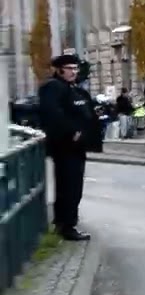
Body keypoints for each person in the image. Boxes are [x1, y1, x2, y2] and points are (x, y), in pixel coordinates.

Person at [37, 53, 101, 241]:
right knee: (68, 186)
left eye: (75, 68)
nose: (74, 72)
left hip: (77, 146)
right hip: (65, 145)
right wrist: (72, 131)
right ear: (60, 70)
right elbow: (53, 114)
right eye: (70, 69)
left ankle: (66, 221)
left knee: (74, 186)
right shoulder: (53, 87)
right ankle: (66, 225)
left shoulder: (74, 89)